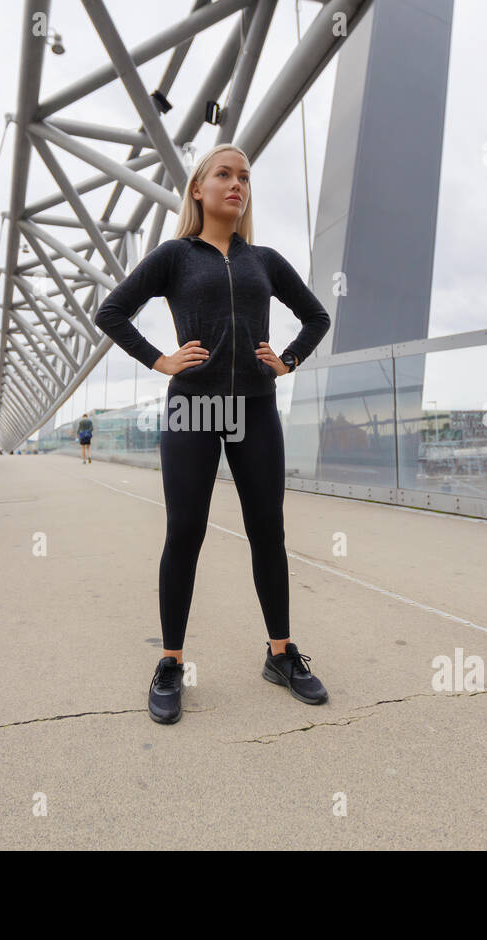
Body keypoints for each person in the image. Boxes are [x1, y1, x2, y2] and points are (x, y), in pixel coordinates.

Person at [94, 143, 332, 725]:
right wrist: (160, 360)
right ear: (198, 190)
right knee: (185, 533)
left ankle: (281, 655)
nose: (237, 185)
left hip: (253, 407)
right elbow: (112, 312)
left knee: (267, 533)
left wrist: (288, 360)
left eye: (244, 177)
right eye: (223, 175)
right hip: (193, 409)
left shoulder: (265, 260)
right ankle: (171, 662)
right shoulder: (175, 257)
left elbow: (316, 316)